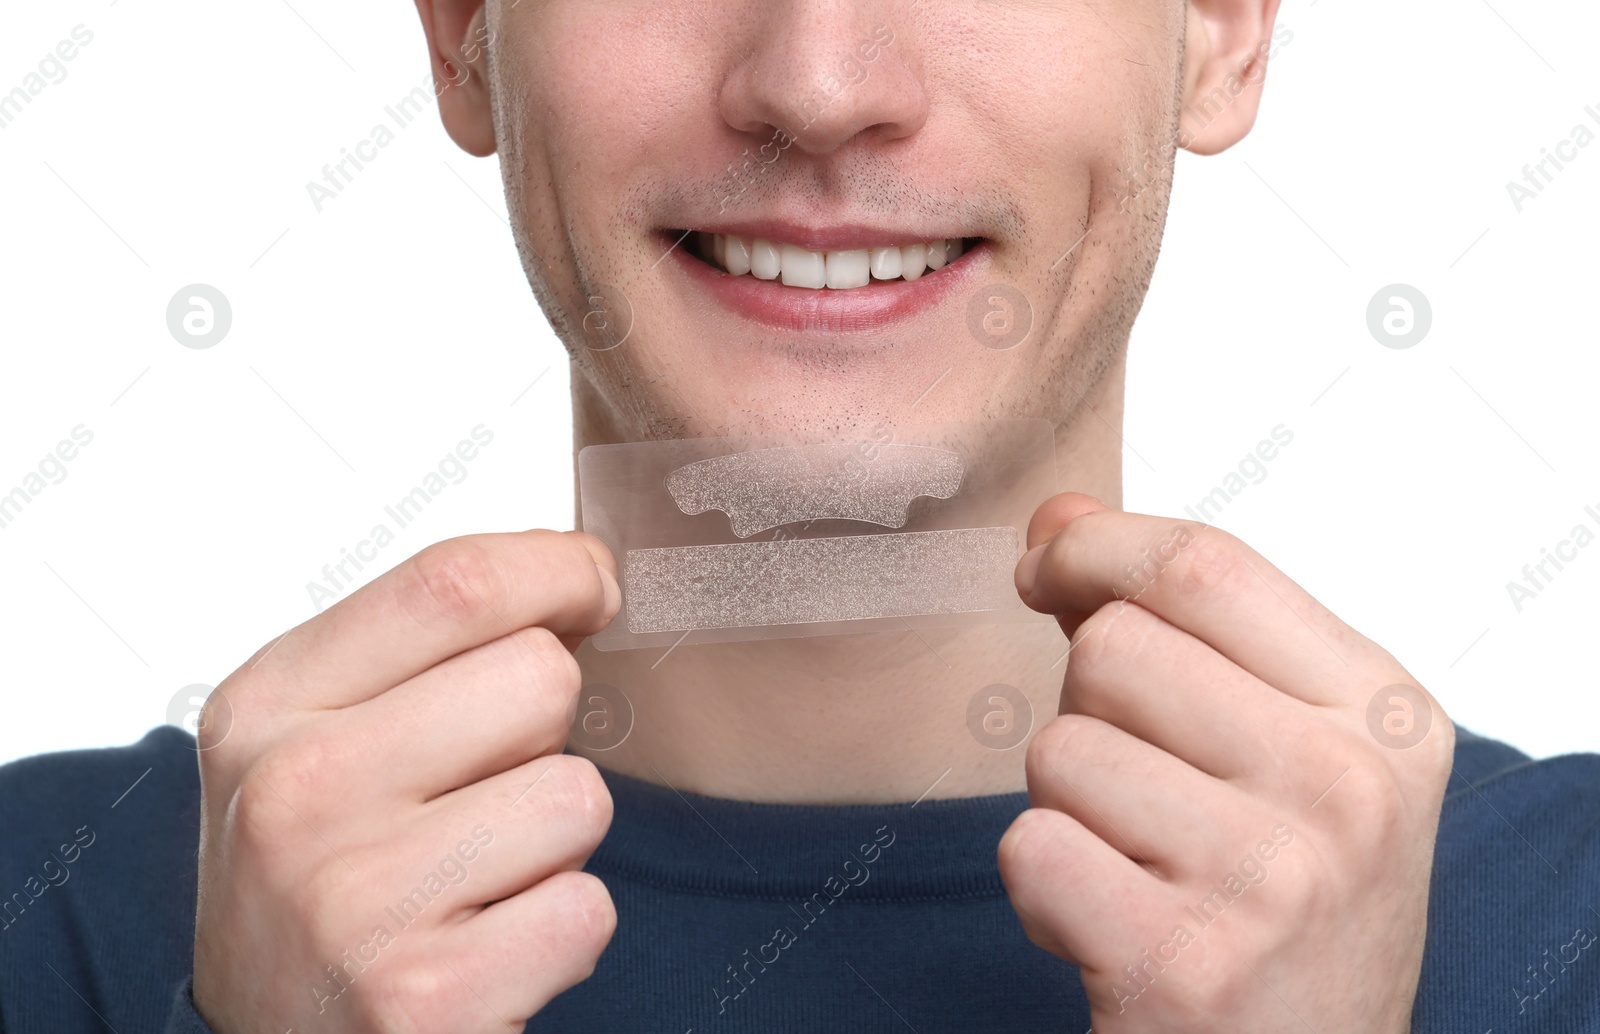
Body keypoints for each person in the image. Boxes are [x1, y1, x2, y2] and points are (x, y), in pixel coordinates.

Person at [2, 0, 1597, 1031]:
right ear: (461, 32)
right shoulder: (51, 915)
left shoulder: (1565, 925)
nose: (821, 83)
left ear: (1225, 30)